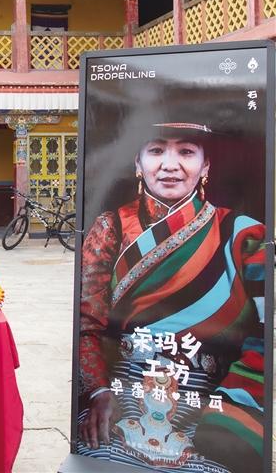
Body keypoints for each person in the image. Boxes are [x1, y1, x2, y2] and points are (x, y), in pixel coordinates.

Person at [77, 121, 265, 472]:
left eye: (186, 151)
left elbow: (268, 333)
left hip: (212, 404)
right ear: (138, 162)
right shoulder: (110, 227)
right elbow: (86, 324)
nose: (170, 164)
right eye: (156, 150)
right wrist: (99, 392)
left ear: (205, 166)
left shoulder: (244, 236)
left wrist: (231, 410)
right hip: (123, 395)